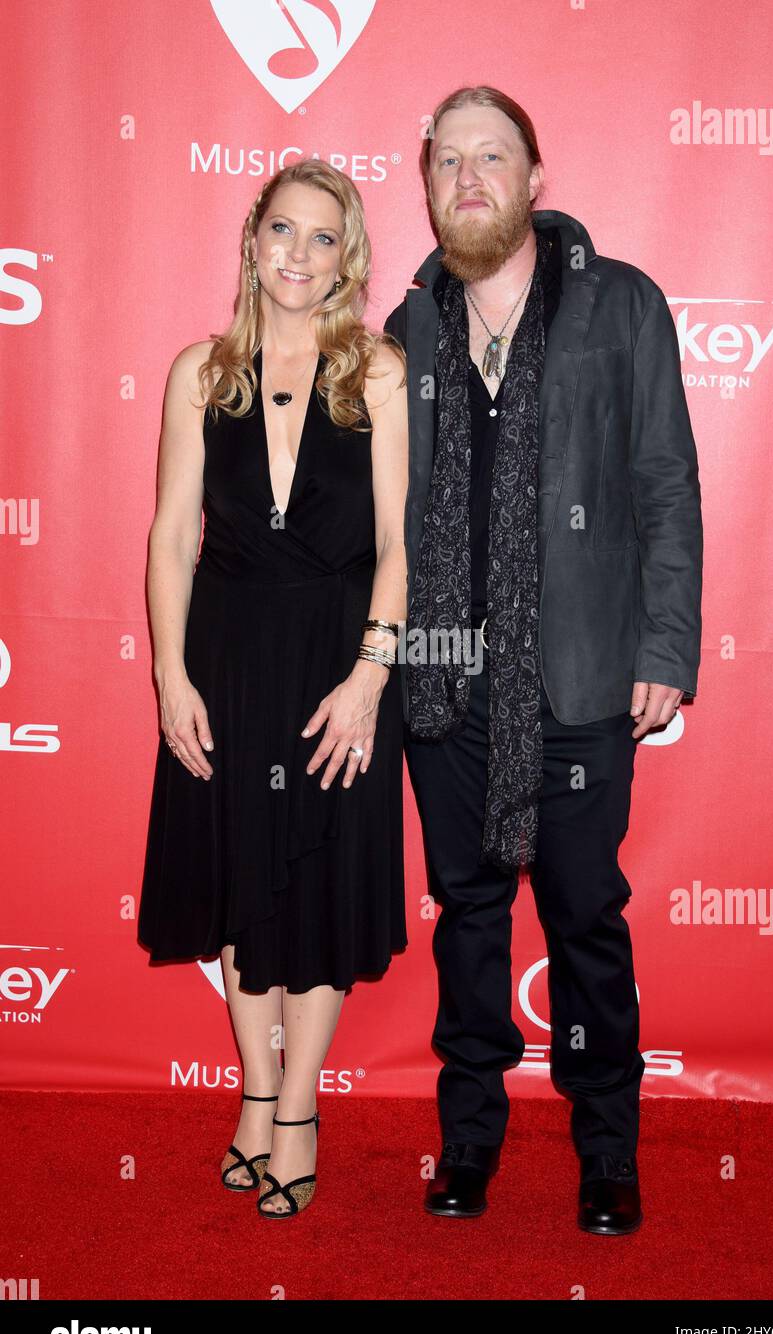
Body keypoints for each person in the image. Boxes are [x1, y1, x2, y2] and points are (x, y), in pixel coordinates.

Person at [384, 87, 703, 1234]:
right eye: (448, 161)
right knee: (467, 913)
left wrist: (666, 643)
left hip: (581, 675)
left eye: (493, 157)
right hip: (445, 679)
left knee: (583, 917)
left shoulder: (623, 305)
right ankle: (468, 1138)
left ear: (535, 176)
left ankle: (606, 1147)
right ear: (426, 185)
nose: (469, 179)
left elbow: (665, 480)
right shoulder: (408, 328)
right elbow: (390, 521)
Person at [138, 159, 408, 1220]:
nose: (298, 254)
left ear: (348, 259)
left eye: (323, 237)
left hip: (340, 657)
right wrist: (169, 673)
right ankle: (256, 1092)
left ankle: (298, 1108)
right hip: (230, 654)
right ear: (252, 241)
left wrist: (370, 679)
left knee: (327, 883)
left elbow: (397, 546)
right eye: (282, 232)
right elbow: (168, 540)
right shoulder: (199, 372)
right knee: (246, 874)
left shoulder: (377, 371)